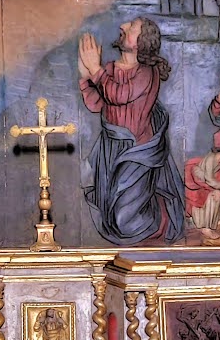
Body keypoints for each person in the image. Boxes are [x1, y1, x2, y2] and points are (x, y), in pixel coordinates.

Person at [78, 16, 184, 246]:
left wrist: (95, 69)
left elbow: (119, 95)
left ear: (142, 42)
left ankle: (163, 217)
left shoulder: (146, 72)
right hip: (110, 148)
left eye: (132, 27)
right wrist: (87, 76)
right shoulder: (109, 69)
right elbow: (97, 103)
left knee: (124, 219)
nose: (122, 26)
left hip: (137, 151)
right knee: (110, 210)